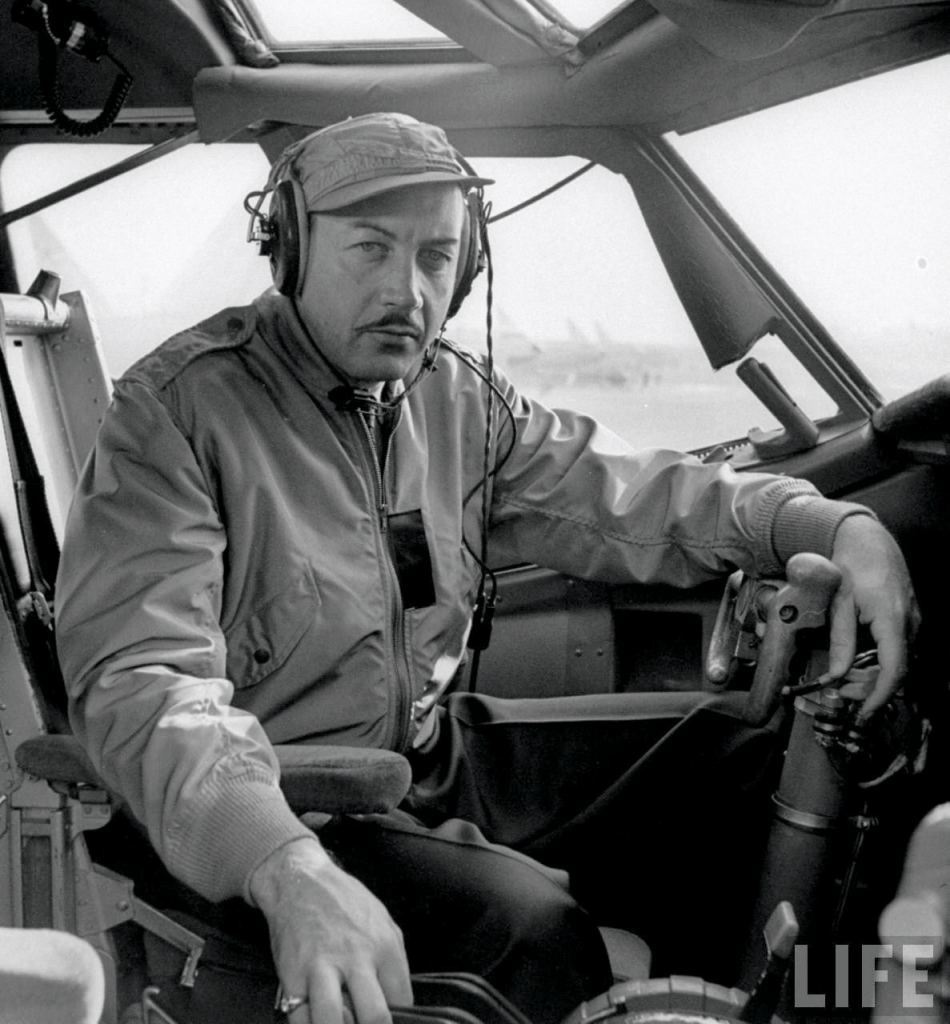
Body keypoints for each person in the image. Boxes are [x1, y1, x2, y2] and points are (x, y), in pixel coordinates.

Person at [54, 112, 919, 1024]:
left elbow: (623, 496)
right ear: (291, 250)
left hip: (421, 759)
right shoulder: (180, 412)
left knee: (742, 757)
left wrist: (824, 521)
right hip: (282, 794)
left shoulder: (451, 396)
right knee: (533, 927)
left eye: (435, 259)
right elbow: (142, 681)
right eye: (370, 250)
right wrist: (286, 865)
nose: (406, 291)